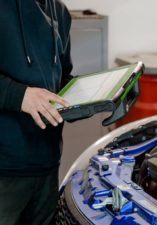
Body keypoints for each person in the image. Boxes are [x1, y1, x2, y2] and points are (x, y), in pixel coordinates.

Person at [0, 0, 72, 224]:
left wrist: (99, 98)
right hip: (5, 168)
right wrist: (20, 95)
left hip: (46, 164)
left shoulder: (60, 11)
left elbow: (63, 79)